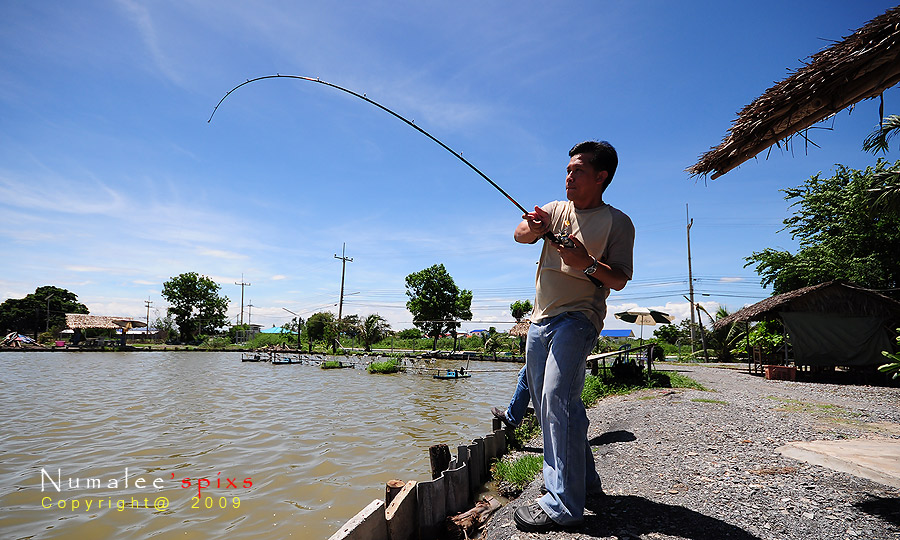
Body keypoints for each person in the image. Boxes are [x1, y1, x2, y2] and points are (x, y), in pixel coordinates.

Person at [512, 140, 634, 532]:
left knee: (554, 398)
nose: (568, 176)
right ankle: (586, 482)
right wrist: (533, 228)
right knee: (563, 404)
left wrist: (587, 263)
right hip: (539, 320)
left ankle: (562, 503)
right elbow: (519, 235)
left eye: (577, 170)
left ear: (601, 177)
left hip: (579, 318)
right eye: (567, 170)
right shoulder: (552, 210)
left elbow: (618, 279)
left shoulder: (618, 222)